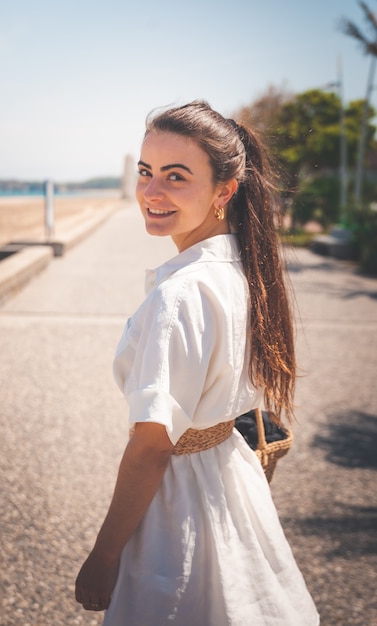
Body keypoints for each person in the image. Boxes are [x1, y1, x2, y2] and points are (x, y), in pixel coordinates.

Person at [75, 100, 319, 625]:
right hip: (230, 478)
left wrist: (105, 552)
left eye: (176, 177)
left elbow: (151, 447)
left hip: (179, 500)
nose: (152, 192)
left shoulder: (181, 295)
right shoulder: (242, 268)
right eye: (146, 172)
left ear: (224, 191)